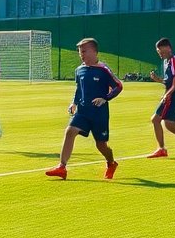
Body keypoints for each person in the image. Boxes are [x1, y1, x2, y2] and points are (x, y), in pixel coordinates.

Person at [45, 38, 122, 180]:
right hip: (83, 112)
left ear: (94, 51)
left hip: (99, 114)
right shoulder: (79, 70)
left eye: (84, 51)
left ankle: (111, 163)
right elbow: (78, 89)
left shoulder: (103, 69)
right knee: (70, 131)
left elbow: (118, 86)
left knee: (101, 145)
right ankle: (62, 167)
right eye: (80, 52)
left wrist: (105, 98)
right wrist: (73, 103)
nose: (81, 54)